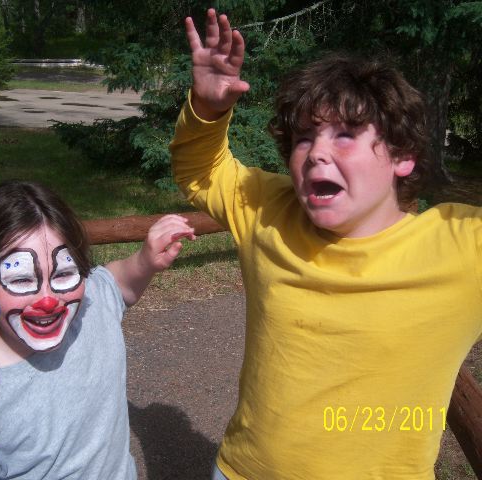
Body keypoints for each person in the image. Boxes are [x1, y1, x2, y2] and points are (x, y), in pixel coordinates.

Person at [170, 8, 482, 480]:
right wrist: (208, 107)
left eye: (346, 135)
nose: (316, 152)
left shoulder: (462, 249)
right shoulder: (268, 210)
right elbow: (202, 171)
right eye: (303, 138)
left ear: (402, 155)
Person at [0, 180, 196, 479]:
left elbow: (117, 283)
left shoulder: (92, 305)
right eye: (22, 279)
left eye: (63, 273)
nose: (48, 300)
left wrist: (144, 261)